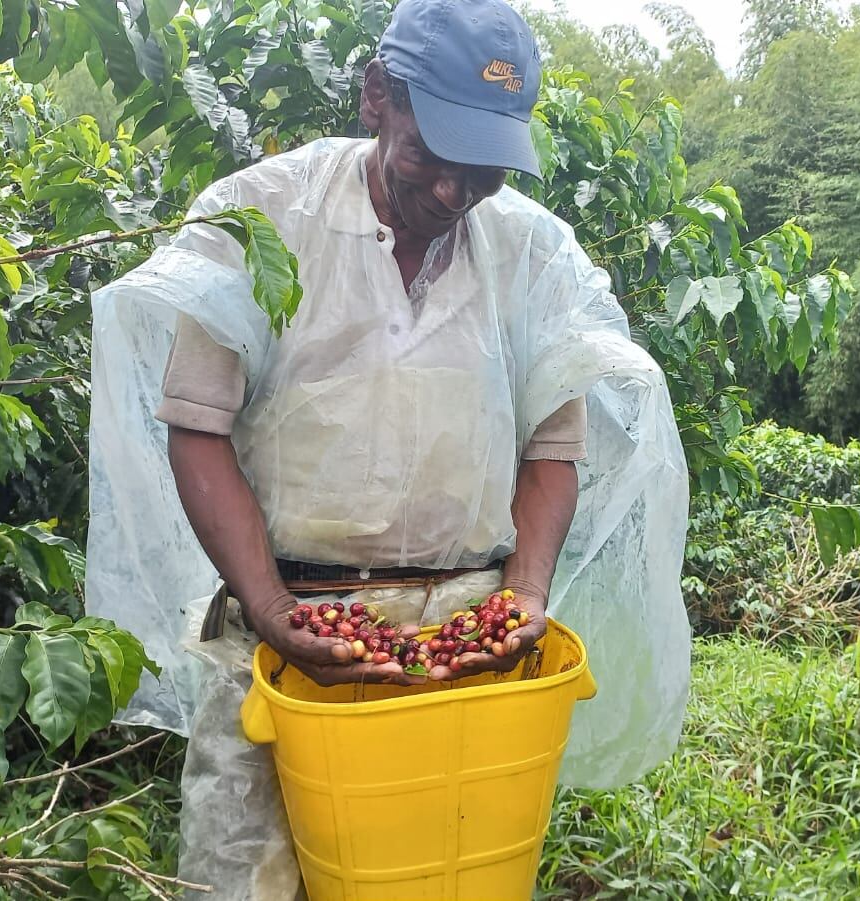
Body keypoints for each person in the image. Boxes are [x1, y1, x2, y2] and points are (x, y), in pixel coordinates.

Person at [85, 1, 692, 897]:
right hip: (288, 630)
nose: (453, 192)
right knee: (245, 876)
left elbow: (552, 447)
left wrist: (523, 593)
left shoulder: (529, 251)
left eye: (481, 169)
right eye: (430, 156)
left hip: (465, 642)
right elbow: (198, 426)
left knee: (441, 872)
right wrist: (271, 605)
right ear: (377, 98)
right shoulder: (262, 216)